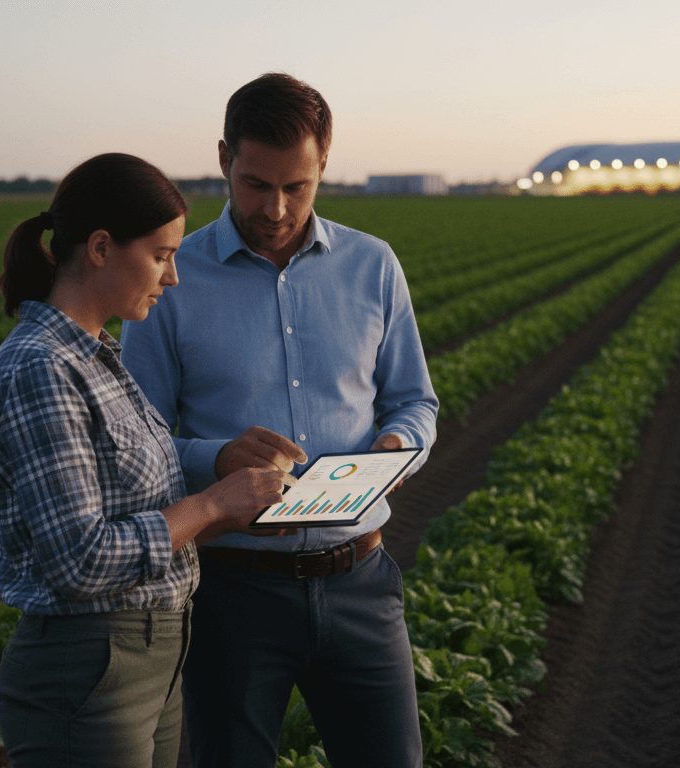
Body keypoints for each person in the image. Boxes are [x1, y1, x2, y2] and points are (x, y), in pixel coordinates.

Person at [120, 73, 439, 767]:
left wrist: (395, 446)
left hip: (361, 577)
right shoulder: (172, 277)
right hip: (232, 590)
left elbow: (416, 400)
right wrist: (216, 457)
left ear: (324, 163)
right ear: (223, 159)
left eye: (297, 186)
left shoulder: (373, 266)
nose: (274, 207)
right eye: (255, 183)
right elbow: (133, 445)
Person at [0, 152, 292, 768]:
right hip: (88, 666)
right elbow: (79, 560)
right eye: (161, 255)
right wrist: (210, 507)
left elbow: (127, 464)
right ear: (99, 248)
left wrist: (224, 468)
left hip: (149, 656)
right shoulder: (40, 368)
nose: (171, 278)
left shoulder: (95, 354)